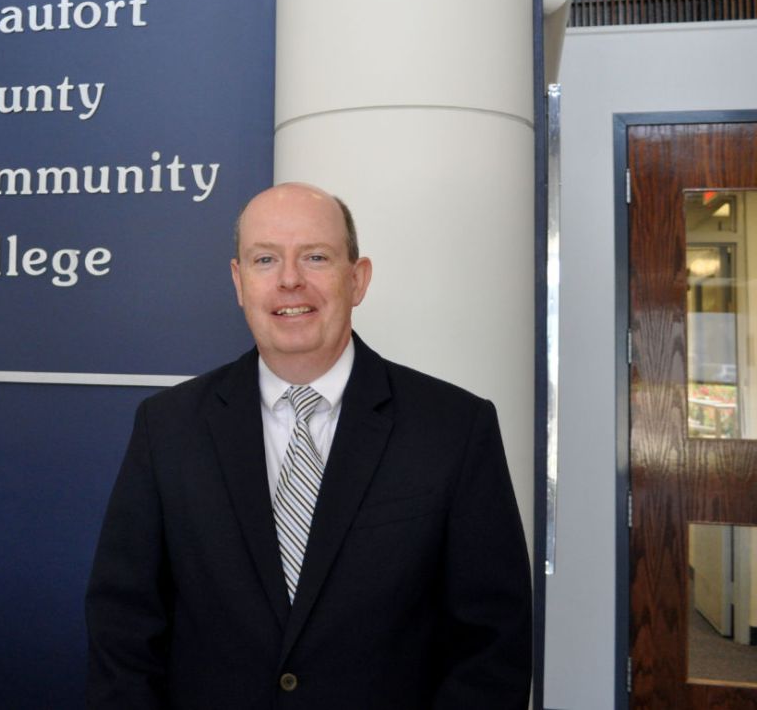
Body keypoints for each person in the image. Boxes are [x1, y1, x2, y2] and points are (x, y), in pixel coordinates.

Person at [85, 182, 532, 708]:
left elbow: (491, 645)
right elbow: (124, 627)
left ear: (357, 279)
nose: (290, 280)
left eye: (316, 257)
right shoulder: (167, 427)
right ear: (239, 282)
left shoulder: (455, 428)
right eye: (265, 260)